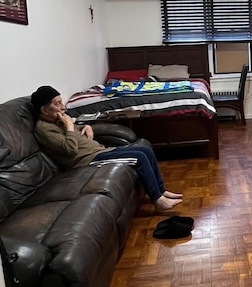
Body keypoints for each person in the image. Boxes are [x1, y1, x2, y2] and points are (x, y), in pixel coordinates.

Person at [30, 85, 182, 213]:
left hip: (100, 151)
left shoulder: (58, 120)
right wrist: (69, 127)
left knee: (146, 150)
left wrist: (85, 126)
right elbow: (69, 148)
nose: (63, 107)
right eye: (57, 104)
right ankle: (158, 200)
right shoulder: (44, 129)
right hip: (86, 161)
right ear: (44, 110)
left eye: (61, 102)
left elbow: (75, 130)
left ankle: (161, 191)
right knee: (139, 157)